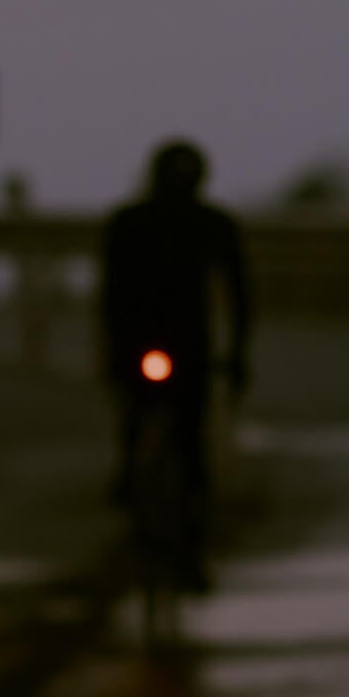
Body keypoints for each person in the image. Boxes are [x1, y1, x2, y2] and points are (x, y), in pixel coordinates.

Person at [99, 139, 253, 587]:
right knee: (188, 442)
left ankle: (134, 480)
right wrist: (238, 354)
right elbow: (240, 296)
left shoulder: (128, 222)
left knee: (147, 418)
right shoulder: (214, 224)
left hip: (143, 343)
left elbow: (109, 296)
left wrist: (109, 349)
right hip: (188, 347)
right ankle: (190, 548)